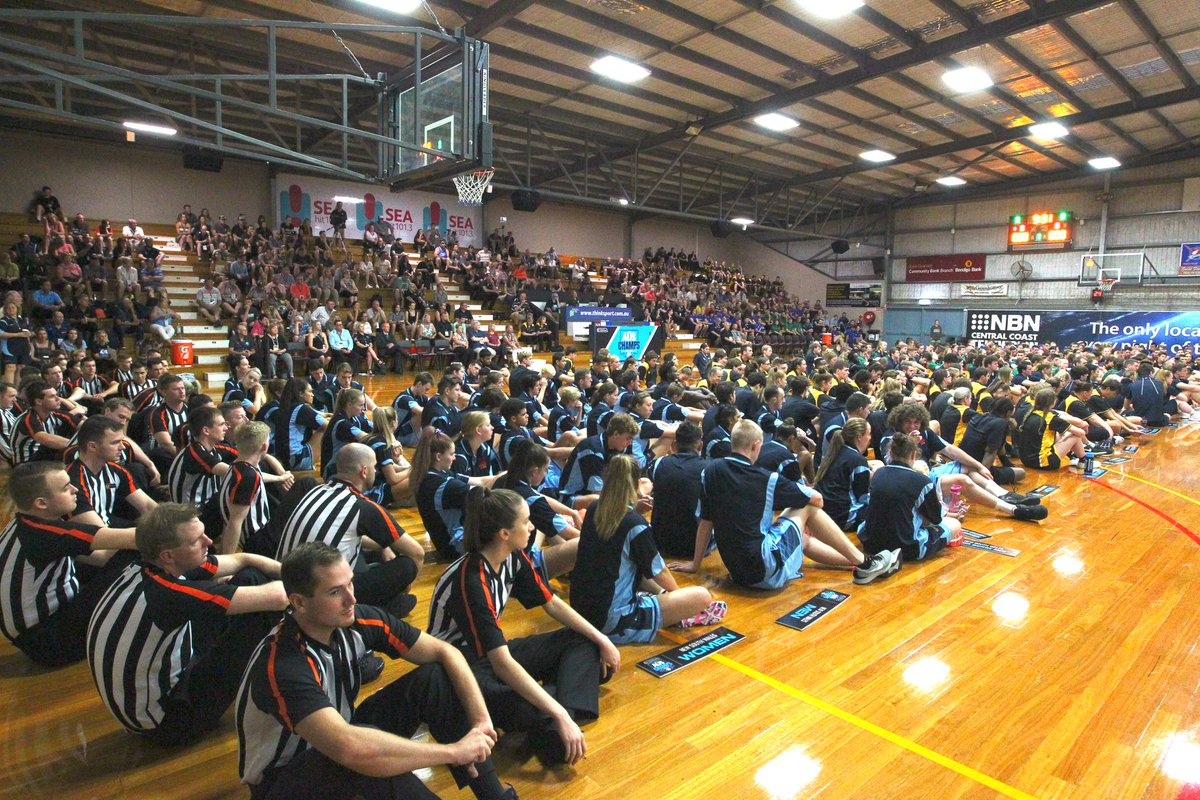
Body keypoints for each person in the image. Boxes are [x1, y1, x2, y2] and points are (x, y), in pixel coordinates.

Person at [236, 542, 516, 800]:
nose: (351, 599)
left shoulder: (354, 619)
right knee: (363, 757)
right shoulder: (282, 663)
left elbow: (446, 652)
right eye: (335, 592)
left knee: (432, 678)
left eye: (351, 584)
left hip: (337, 739)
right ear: (299, 602)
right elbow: (350, 749)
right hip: (282, 781)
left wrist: (481, 723)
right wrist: (452, 752)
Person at [427, 486, 620, 766]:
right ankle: (560, 711)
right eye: (526, 521)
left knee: (584, 641)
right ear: (504, 533)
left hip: (491, 657)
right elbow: (502, 663)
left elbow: (551, 602)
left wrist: (602, 639)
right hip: (457, 670)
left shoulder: (512, 556)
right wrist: (560, 715)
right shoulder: (470, 578)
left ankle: (552, 713)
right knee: (551, 729)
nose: (532, 527)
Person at [86, 503, 287, 744]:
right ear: (168, 555)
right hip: (166, 722)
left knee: (250, 577)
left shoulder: (142, 566)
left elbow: (242, 559)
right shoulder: (167, 594)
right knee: (263, 613)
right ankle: (291, 684)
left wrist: (282, 569)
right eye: (196, 541)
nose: (209, 541)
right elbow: (279, 597)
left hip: (146, 700)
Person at [672, 420, 901, 588]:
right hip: (763, 569)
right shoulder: (765, 478)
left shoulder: (710, 471)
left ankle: (861, 564)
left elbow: (706, 521)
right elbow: (817, 500)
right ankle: (864, 562)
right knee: (806, 507)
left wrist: (695, 563)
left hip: (737, 570)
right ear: (756, 445)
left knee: (801, 538)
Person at [0, 461, 137, 666]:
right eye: (66, 488)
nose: (75, 490)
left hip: (33, 635)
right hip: (48, 642)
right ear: (41, 503)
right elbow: (135, 538)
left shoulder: (23, 523)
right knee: (134, 557)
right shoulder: (44, 533)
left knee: (119, 557)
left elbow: (98, 558)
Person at [571, 455, 723, 641]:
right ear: (635, 484)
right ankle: (679, 615)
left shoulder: (594, 507)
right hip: (612, 622)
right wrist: (679, 600)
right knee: (701, 596)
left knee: (632, 568)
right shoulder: (634, 523)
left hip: (579, 613)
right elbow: (660, 573)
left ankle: (660, 600)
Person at [276, 443, 423, 618]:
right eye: (374, 467)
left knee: (377, 548)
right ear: (364, 471)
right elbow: (417, 553)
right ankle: (380, 608)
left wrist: (383, 546)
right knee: (406, 564)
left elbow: (343, 533)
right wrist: (400, 587)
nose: (376, 472)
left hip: (283, 582)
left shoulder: (315, 490)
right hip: (321, 599)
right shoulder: (362, 506)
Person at [858, 432, 962, 563]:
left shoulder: (878, 474)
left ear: (890, 453)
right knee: (954, 524)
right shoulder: (922, 481)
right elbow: (936, 519)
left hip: (870, 544)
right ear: (914, 455)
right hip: (906, 549)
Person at [411, 429, 504, 558]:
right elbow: (485, 495)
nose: (454, 458)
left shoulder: (434, 474)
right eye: (451, 454)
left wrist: (507, 475)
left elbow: (480, 481)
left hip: (446, 542)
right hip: (454, 547)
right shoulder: (441, 484)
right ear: (438, 456)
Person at [66, 416, 157, 527]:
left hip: (107, 526)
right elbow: (98, 532)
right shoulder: (72, 480)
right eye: (115, 443)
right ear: (92, 447)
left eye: (122, 441)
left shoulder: (116, 471)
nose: (123, 447)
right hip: (90, 538)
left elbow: (147, 506)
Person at [646, 421, 707, 558]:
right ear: (700, 445)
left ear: (673, 445)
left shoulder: (658, 464)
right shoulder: (708, 470)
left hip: (659, 541)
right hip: (692, 546)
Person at [813, 417, 873, 532]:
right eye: (869, 434)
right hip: (843, 518)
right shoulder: (858, 460)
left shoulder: (835, 452)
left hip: (824, 514)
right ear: (859, 437)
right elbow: (863, 498)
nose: (870, 438)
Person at [1019, 387, 1088, 471]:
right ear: (1053, 403)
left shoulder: (1030, 413)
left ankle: (1072, 455)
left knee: (1058, 433)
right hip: (1043, 463)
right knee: (1075, 435)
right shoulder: (1051, 418)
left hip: (1025, 460)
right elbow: (1081, 433)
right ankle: (1084, 461)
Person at [9, 380, 77, 463]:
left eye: (56, 395)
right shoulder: (27, 419)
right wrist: (81, 444)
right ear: (39, 401)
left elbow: (86, 425)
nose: (58, 398)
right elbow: (46, 439)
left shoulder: (57, 414)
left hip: (44, 461)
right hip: (26, 466)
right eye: (52, 396)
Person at [319, 387, 372, 479]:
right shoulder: (342, 424)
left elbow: (372, 426)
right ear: (349, 405)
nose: (363, 408)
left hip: (344, 466)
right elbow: (366, 438)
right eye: (361, 405)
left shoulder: (353, 417)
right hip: (332, 471)